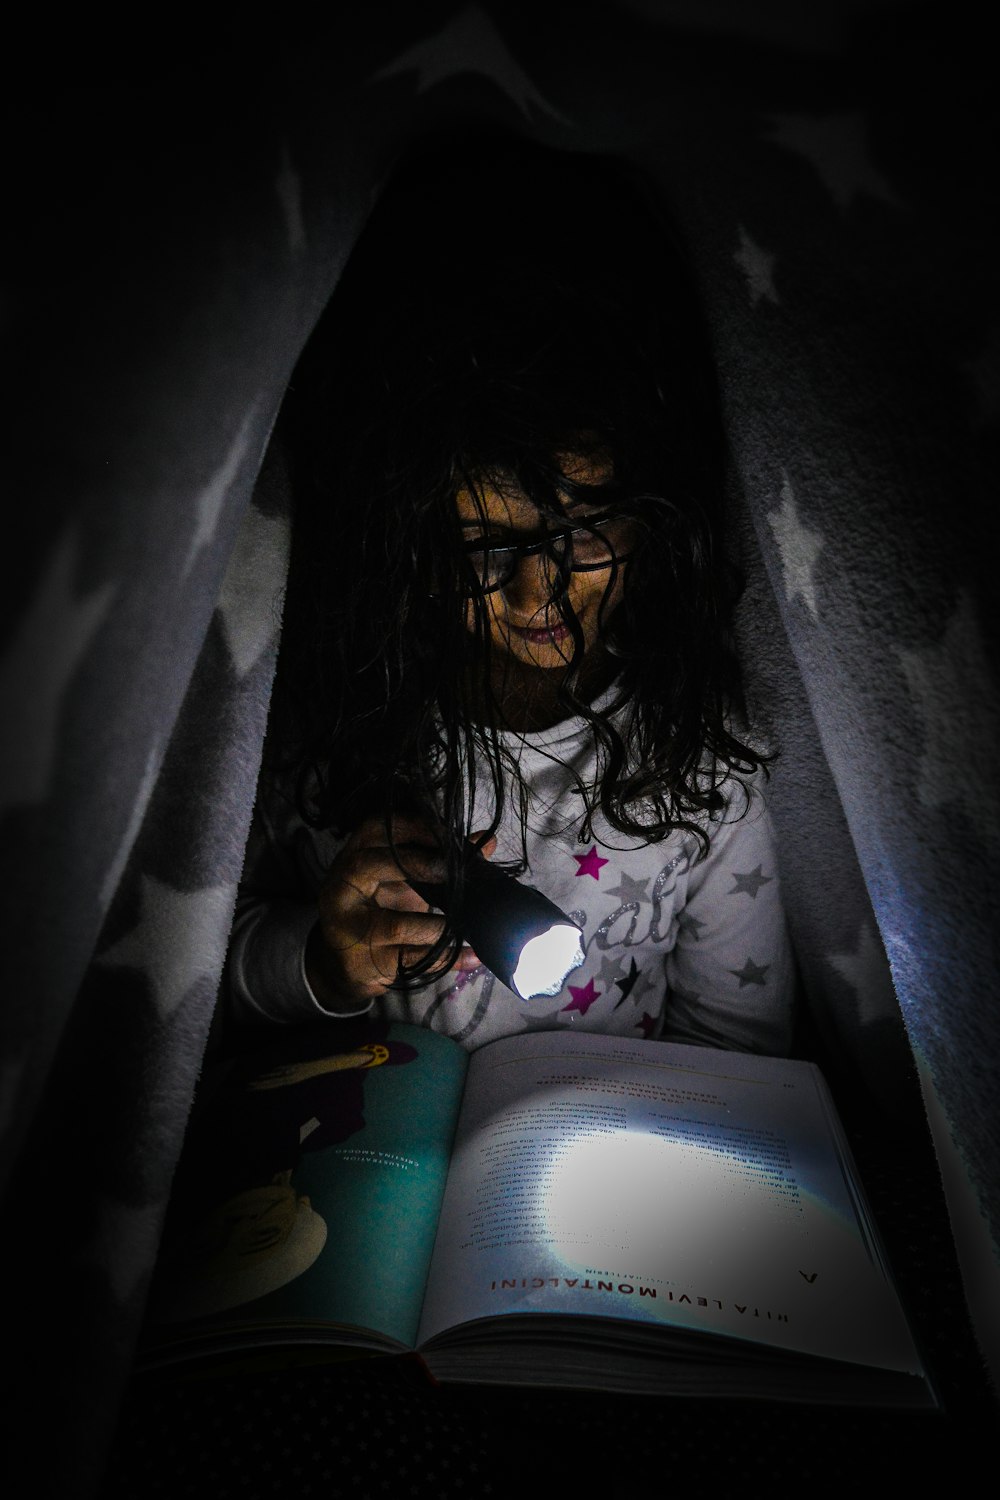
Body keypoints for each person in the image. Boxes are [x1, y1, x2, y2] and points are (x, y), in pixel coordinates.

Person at [226, 127, 794, 1056]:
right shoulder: (325, 726)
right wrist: (325, 964)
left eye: (584, 531)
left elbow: (740, 1044)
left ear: (652, 514)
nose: (543, 589)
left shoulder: (705, 767)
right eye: (486, 547)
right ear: (410, 542)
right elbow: (206, 964)